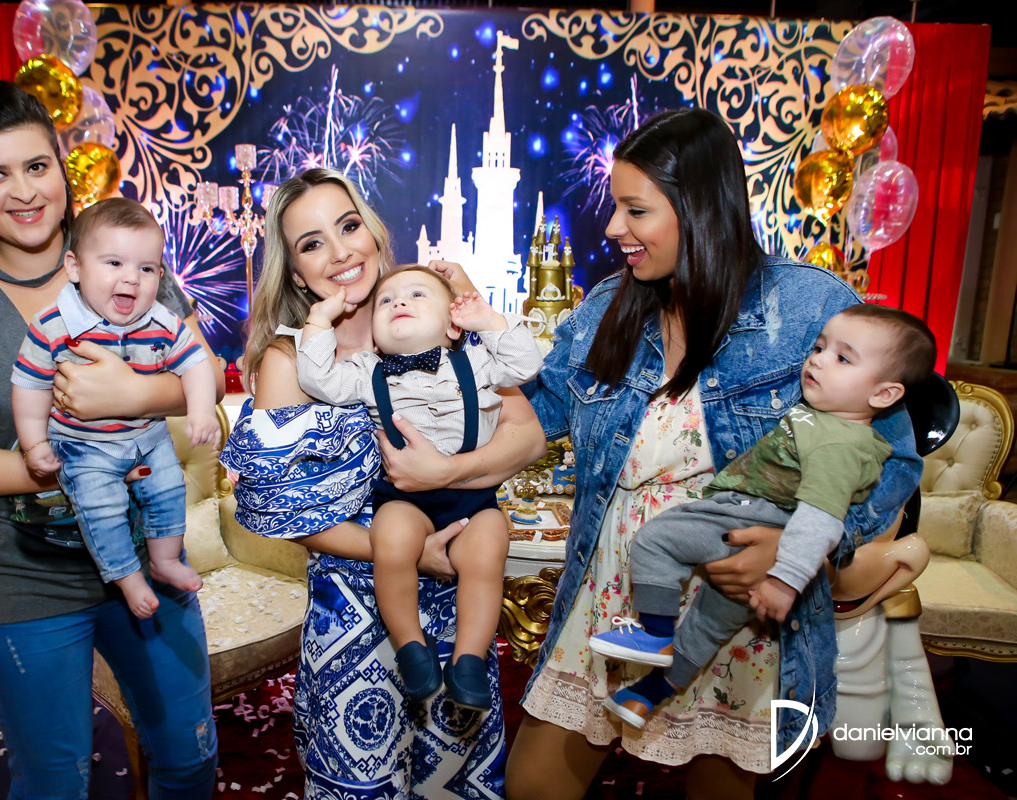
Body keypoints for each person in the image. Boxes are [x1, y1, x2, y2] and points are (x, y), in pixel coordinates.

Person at [504, 108, 923, 800]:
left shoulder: (810, 305)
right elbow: (538, 411)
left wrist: (799, 548)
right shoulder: (609, 305)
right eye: (616, 206)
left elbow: (894, 461)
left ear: (699, 208)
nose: (612, 228)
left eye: (635, 209)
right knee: (533, 785)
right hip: (615, 594)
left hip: (737, 613)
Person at [0, 81, 219, 798]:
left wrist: (133, 395)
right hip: (16, 576)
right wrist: (73, 467)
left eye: (37, 166)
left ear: (62, 169)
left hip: (147, 559)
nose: (24, 191)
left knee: (188, 759)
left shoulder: (119, 255)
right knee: (55, 783)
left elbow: (204, 373)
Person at [219, 167, 545, 797]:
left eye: (348, 227)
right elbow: (287, 515)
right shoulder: (292, 362)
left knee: (453, 782)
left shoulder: (433, 322)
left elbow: (527, 437)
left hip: (457, 603)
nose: (340, 253)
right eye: (312, 243)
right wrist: (409, 551)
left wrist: (446, 472)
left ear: (372, 232)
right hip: (355, 613)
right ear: (295, 272)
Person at [592, 305, 936, 728]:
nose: (818, 360)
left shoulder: (839, 444)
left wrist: (783, 579)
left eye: (843, 358)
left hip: (751, 519)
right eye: (819, 348)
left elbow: (821, 518)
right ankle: (647, 695)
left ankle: (655, 633)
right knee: (707, 626)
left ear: (883, 395)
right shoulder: (828, 422)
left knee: (657, 539)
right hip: (763, 529)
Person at [295, 267, 542, 708]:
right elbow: (318, 379)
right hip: (403, 497)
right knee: (390, 542)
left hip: (472, 498)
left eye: (416, 294)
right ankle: (410, 646)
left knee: (488, 551)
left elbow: (526, 364)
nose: (399, 303)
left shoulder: (477, 361)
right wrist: (319, 319)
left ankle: (469, 659)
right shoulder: (366, 371)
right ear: (374, 336)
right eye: (386, 300)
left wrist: (488, 320)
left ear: (452, 325)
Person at [12, 197, 220, 619]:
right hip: (84, 447)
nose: (131, 279)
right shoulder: (52, 325)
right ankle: (126, 576)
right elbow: (29, 386)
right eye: (114, 264)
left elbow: (197, 363)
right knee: (101, 507)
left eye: (146, 269)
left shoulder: (161, 321)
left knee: (169, 490)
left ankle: (165, 560)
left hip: (149, 438)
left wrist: (199, 410)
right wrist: (34, 444)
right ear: (75, 268)